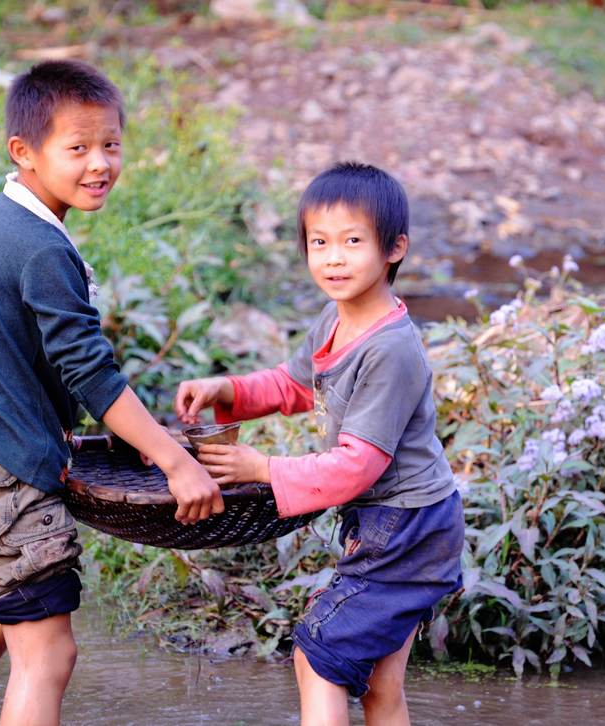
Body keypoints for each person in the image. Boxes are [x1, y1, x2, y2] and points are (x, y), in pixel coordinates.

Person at [0, 59, 223, 726]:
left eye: (110, 144)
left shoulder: (5, 217)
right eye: (76, 148)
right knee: (48, 656)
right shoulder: (41, 248)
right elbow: (91, 373)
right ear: (24, 152)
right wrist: (174, 459)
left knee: (7, 605)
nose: (99, 163)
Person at [176, 162, 464, 725]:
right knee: (381, 685)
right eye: (319, 242)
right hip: (407, 521)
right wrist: (225, 388)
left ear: (394, 248)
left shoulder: (389, 350)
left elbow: (358, 466)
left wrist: (261, 467)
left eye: (353, 241)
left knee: (319, 655)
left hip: (406, 527)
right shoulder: (334, 322)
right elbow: (291, 384)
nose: (333, 257)